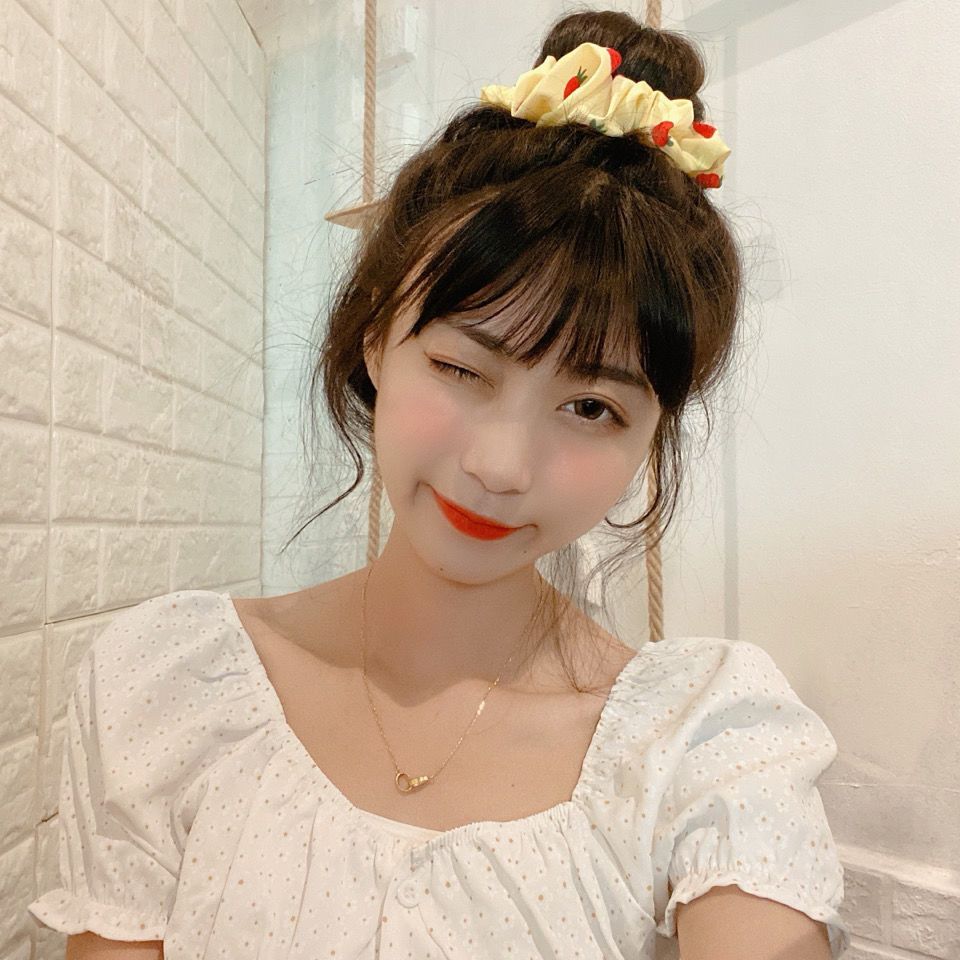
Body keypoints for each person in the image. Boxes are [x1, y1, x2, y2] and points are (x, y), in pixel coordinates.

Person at [27, 10, 851, 959]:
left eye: (591, 408)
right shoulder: (170, 689)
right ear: (377, 338)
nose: (502, 466)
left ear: (650, 437)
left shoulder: (702, 745)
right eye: (462, 368)